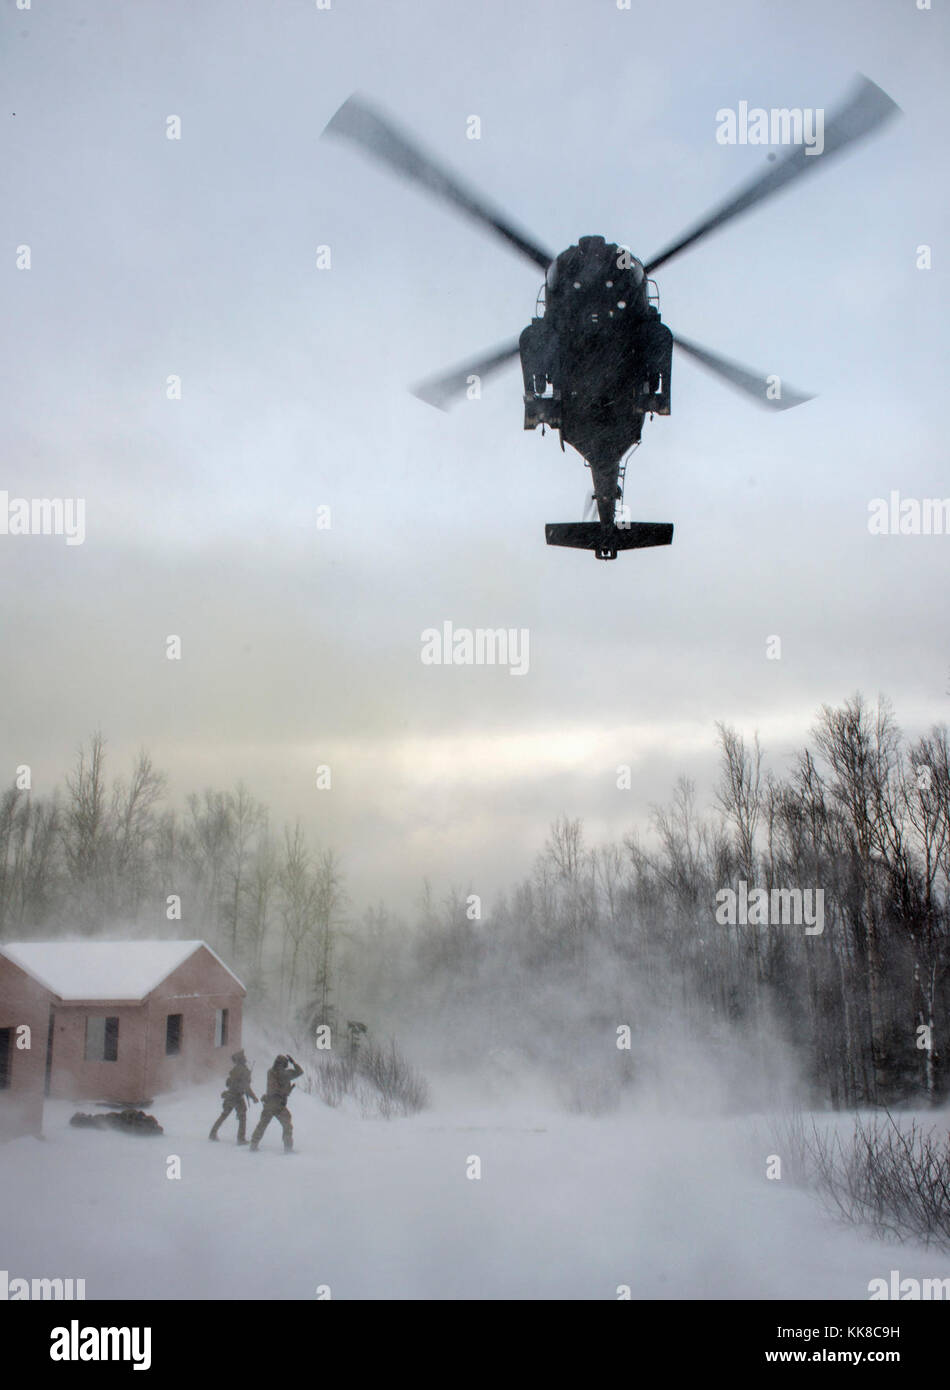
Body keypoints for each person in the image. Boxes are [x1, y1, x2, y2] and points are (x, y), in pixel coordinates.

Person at [249, 1054, 303, 1153]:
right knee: (284, 1125)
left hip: (273, 1103)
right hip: (275, 1103)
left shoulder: (274, 1072)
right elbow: (299, 1072)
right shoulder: (279, 1073)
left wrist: (293, 1063)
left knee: (265, 1124)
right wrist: (293, 1063)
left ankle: (254, 1144)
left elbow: (299, 1072)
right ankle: (287, 1148)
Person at [209, 1049, 258, 1144]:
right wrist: (254, 1097)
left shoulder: (235, 1069)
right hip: (237, 1097)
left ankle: (213, 1133)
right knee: (242, 1117)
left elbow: (230, 1083)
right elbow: (246, 1087)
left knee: (224, 1115)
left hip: (230, 1095)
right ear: (241, 1059)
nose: (245, 1058)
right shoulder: (244, 1070)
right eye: (244, 1057)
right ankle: (241, 1138)